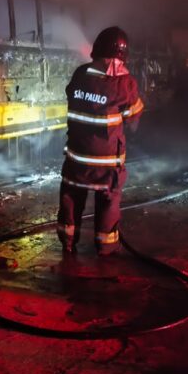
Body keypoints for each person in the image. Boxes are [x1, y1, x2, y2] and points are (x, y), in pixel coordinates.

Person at [57, 26, 144, 256]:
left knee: (71, 198)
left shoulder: (79, 74)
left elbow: (71, 96)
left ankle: (67, 242)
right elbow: (133, 120)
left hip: (76, 160)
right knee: (108, 201)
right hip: (107, 165)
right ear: (122, 55)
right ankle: (106, 249)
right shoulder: (125, 84)